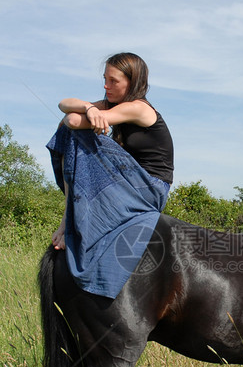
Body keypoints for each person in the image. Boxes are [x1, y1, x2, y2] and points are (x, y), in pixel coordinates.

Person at [47, 52, 174, 298]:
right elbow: (65, 105)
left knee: (75, 134)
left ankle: (68, 224)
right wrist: (88, 107)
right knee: (68, 131)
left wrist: (90, 113)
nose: (106, 86)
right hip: (129, 182)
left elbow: (73, 121)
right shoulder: (111, 104)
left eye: (113, 81)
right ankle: (67, 221)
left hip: (150, 187)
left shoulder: (138, 109)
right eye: (105, 79)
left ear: (133, 81)